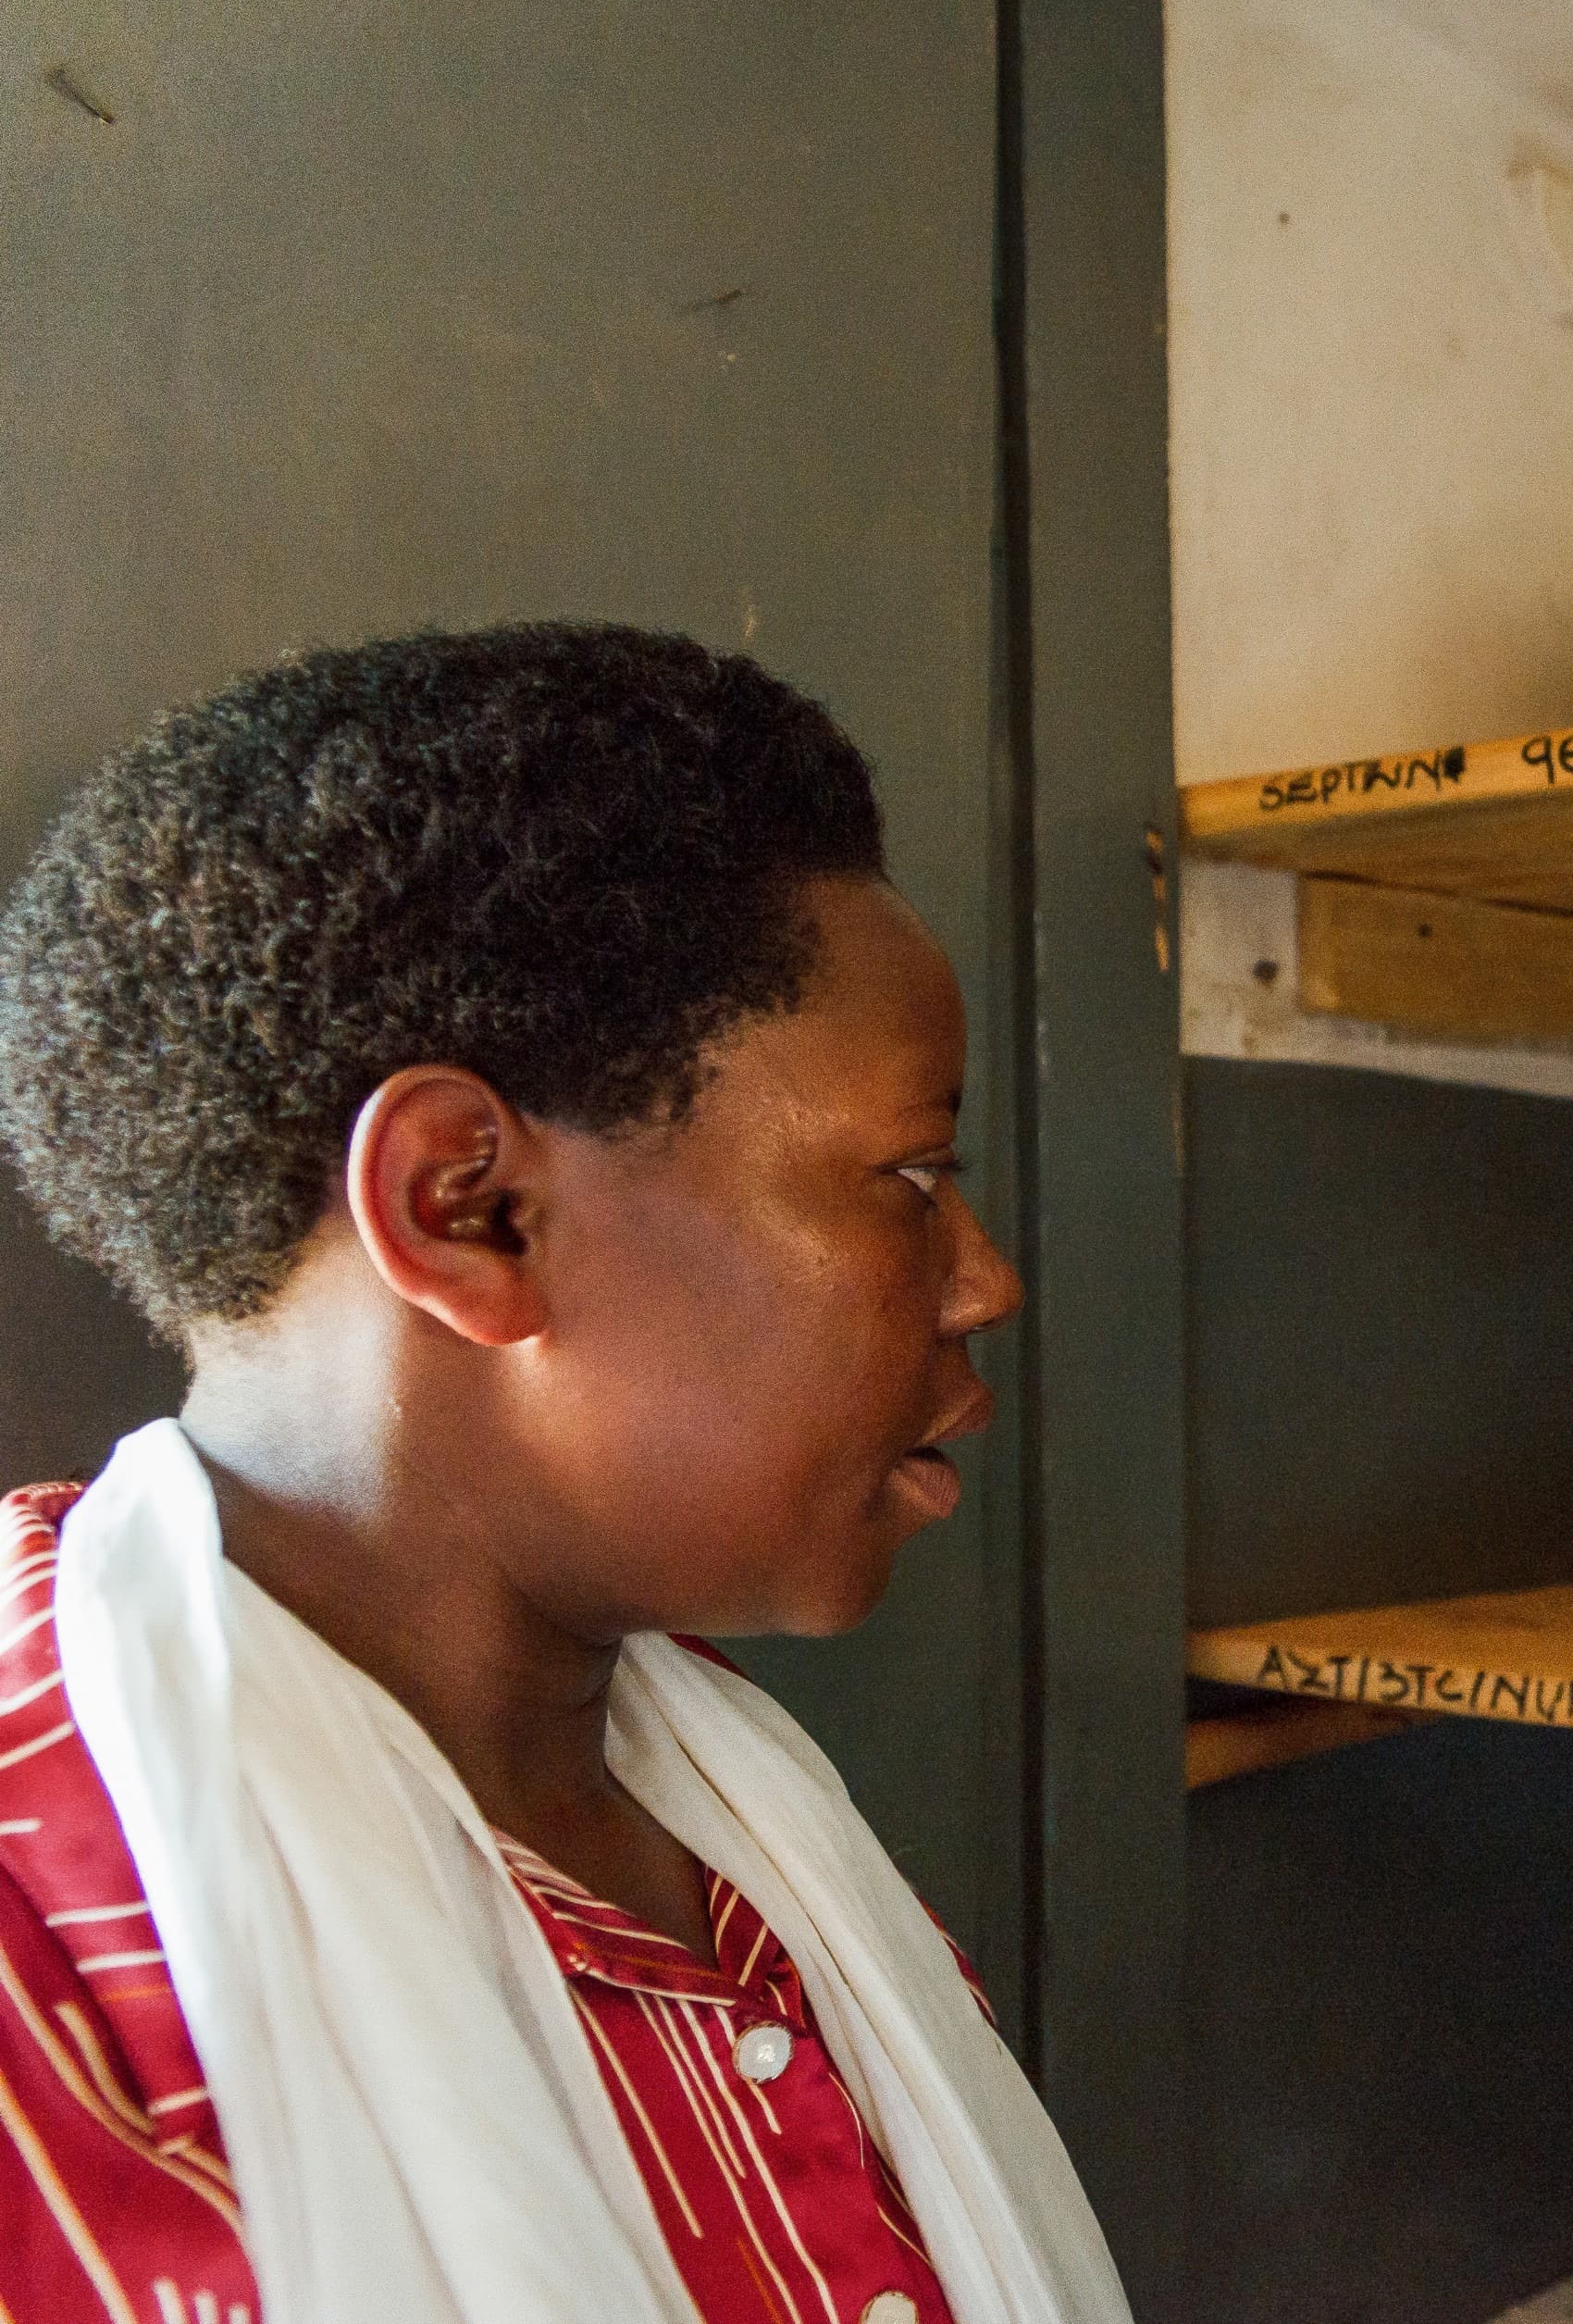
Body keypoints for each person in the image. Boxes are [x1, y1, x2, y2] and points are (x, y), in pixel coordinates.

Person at [0, 627, 1129, 2324]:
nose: (984, 1281)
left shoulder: (726, 1820)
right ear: (470, 1210)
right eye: (912, 1173)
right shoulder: (54, 1989)